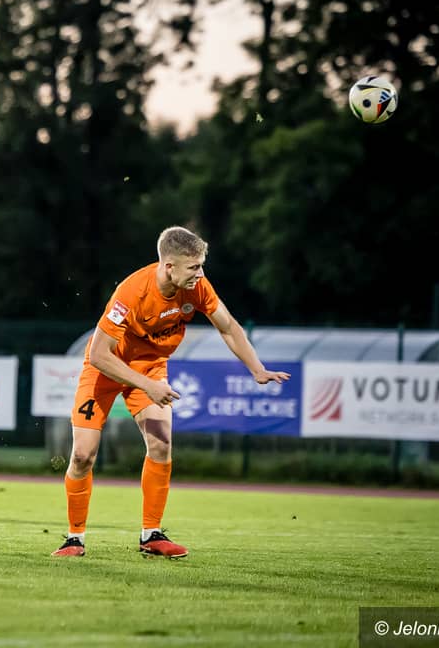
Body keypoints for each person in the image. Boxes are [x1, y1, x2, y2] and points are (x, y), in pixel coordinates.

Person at [52, 226, 291, 558]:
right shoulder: (131, 293)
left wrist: (257, 368)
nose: (200, 274)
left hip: (151, 368)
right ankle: (74, 538)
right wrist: (147, 386)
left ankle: (151, 535)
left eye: (201, 266)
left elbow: (228, 327)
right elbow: (98, 356)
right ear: (168, 266)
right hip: (106, 370)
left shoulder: (197, 287)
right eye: (193, 267)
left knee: (161, 445)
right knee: (82, 456)